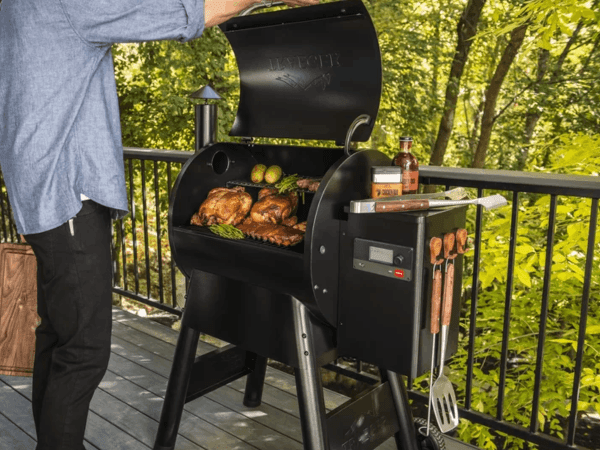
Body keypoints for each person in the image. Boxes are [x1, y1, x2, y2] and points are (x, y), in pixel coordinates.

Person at [0, 0, 319, 449]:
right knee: (85, 351)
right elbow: (184, 12)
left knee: (58, 336)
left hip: (37, 191)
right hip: (66, 192)